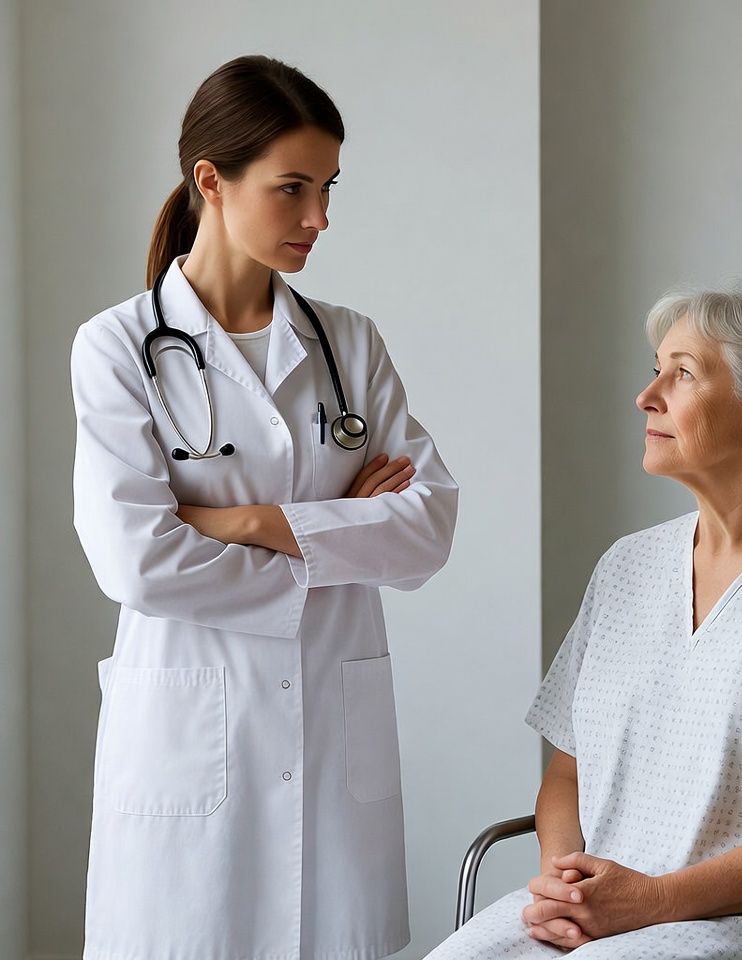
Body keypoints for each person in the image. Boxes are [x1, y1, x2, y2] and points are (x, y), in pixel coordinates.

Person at [426, 281, 742, 960]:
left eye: (684, 373)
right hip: (606, 909)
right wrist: (566, 886)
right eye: (655, 370)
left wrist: (651, 901)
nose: (647, 396)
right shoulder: (626, 567)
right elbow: (566, 775)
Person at [71, 55, 458, 960]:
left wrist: (239, 521)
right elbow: (136, 561)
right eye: (292, 189)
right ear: (211, 179)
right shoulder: (119, 348)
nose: (319, 218)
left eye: (327, 188)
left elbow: (427, 530)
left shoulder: (348, 343)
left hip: (332, 747)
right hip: (188, 753)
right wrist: (338, 534)